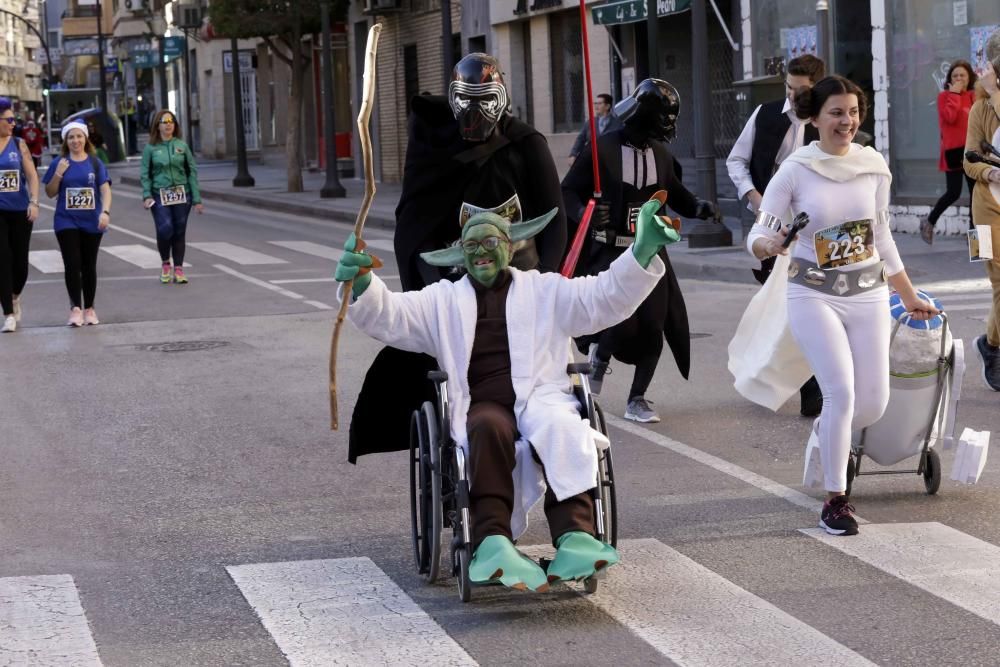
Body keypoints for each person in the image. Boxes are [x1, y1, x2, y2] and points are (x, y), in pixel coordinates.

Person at [335, 200, 679, 591]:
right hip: (482, 404)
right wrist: (363, 283)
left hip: (542, 398)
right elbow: (393, 315)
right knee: (485, 427)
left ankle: (578, 537)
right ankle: (493, 541)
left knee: (563, 425)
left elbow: (601, 296)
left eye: (490, 242)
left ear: (511, 246)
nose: (481, 253)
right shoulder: (442, 299)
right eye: (471, 246)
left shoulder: (546, 291)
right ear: (461, 255)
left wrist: (641, 251)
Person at [347, 53, 568, 464]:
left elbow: (554, 221)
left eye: (485, 98)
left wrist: (545, 283)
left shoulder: (526, 145)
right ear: (452, 99)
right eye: (466, 99)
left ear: (501, 97)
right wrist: (435, 295)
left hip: (520, 282)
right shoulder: (434, 151)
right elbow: (415, 225)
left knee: (542, 380)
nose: (475, 110)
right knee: (456, 376)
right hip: (455, 286)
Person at [746, 76, 938, 536]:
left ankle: (827, 436)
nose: (846, 121)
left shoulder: (872, 166)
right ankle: (836, 500)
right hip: (813, 293)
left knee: (872, 402)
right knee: (842, 394)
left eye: (853, 112)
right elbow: (760, 231)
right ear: (814, 117)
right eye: (836, 112)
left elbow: (882, 235)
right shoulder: (795, 170)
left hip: (869, 292)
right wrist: (767, 244)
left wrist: (908, 295)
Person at [562, 78, 717, 424]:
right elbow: (568, 192)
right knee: (619, 316)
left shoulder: (661, 154)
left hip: (650, 254)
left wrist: (698, 208)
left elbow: (675, 193)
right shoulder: (600, 151)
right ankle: (600, 354)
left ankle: (638, 397)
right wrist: (587, 212)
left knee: (654, 324)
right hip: (610, 252)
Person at [727, 54, 826, 417]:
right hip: (770, 219)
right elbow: (736, 160)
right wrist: (754, 197)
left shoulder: (827, 121)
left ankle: (812, 386)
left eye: (801, 91)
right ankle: (783, 376)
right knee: (780, 303)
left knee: (810, 301)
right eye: (789, 88)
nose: (792, 96)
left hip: (816, 225)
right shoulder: (765, 114)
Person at [42, 121, 112, 327]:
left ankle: (89, 308)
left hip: (91, 221)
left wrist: (105, 212)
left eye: (79, 136)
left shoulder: (95, 163)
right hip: (66, 220)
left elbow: (105, 190)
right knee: (72, 264)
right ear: (66, 140)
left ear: (85, 138)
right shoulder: (59, 162)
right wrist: (58, 174)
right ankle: (75, 309)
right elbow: (50, 192)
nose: (75, 141)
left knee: (88, 265)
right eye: (71, 137)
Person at [963, 35, 1000, 392]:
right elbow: (969, 159)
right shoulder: (980, 109)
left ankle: (990, 345)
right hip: (987, 208)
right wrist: (990, 171)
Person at [140, 109, 203, 285]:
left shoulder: (182, 146)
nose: (168, 124)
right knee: (165, 229)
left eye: (171, 121)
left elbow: (192, 172)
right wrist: (146, 195)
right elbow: (145, 173)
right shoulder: (150, 148)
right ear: (157, 125)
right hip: (159, 194)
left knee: (179, 230)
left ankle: (179, 269)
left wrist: (196, 199)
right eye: (164, 121)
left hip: (183, 194)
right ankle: (166, 263)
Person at [921, 60, 978, 244]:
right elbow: (950, 117)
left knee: (976, 195)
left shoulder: (974, 96)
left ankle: (976, 242)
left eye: (962, 75)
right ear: (950, 79)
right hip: (954, 153)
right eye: (955, 76)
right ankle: (930, 222)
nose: (959, 78)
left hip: (973, 153)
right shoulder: (944, 96)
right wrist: (954, 93)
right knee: (953, 192)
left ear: (969, 77)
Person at [0, 98, 40, 333]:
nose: (13, 123)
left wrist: (34, 202)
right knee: (2, 259)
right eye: (9, 119)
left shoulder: (19, 144)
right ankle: (8, 313)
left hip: (19, 210)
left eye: (14, 119)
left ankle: (14, 296)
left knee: (20, 265)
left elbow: (32, 176)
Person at [568, 93, 622, 165]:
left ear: (607, 106)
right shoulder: (590, 123)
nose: (596, 106)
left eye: (599, 103)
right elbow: (580, 139)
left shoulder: (617, 123)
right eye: (595, 103)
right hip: (593, 161)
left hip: (612, 162)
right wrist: (573, 155)